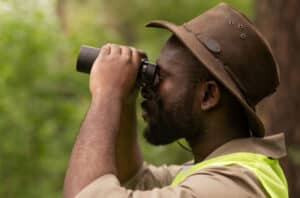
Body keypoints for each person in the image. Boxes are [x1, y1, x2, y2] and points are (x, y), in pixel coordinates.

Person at [63, 2, 288, 198]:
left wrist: (107, 92)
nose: (149, 87)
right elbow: (132, 180)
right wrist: (124, 101)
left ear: (208, 96)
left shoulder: (234, 184)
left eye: (161, 76)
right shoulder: (211, 171)